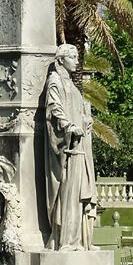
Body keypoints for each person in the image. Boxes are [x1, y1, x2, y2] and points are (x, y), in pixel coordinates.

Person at [44, 44, 97, 251]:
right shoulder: (55, 81)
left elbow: (75, 109)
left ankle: (82, 240)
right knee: (70, 193)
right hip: (69, 146)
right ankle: (67, 240)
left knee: (81, 192)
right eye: (73, 57)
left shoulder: (71, 85)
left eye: (76, 57)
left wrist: (85, 119)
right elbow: (54, 108)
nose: (77, 60)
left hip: (80, 145)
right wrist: (69, 126)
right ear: (60, 60)